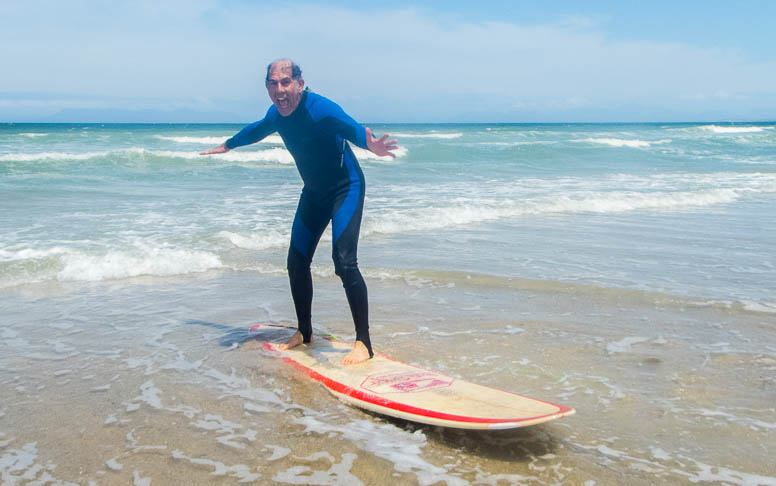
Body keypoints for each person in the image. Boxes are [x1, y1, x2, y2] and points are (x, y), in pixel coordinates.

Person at [201, 59, 397, 365]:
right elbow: (257, 130)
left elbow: (351, 127)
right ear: (267, 87)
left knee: (344, 262)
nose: (280, 90)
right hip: (314, 194)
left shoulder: (320, 109)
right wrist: (229, 144)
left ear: (299, 84)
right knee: (296, 263)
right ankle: (304, 333)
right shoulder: (276, 115)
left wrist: (370, 145)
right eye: (273, 83)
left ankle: (364, 343)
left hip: (346, 187)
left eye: (285, 82)